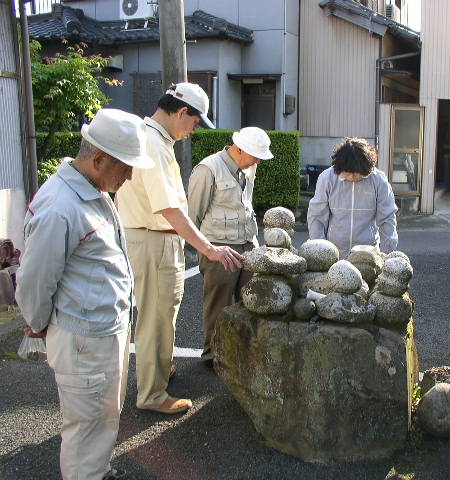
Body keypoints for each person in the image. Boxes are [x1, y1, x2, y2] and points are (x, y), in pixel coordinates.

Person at [16, 108, 154, 480]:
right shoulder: (61, 205)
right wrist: (38, 323)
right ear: (99, 159)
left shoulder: (91, 188)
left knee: (103, 416)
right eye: (126, 167)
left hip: (101, 329)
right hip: (83, 336)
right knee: (87, 424)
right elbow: (34, 280)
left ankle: (97, 470)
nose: (130, 176)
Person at [116, 83, 244, 415]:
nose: (193, 130)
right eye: (195, 122)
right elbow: (170, 209)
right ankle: (152, 393)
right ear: (181, 112)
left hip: (148, 237)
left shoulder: (152, 137)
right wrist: (210, 249)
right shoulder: (154, 145)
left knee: (158, 314)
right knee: (156, 320)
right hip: (154, 238)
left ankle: (158, 370)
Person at [187, 127, 273, 367]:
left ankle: (241, 351)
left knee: (249, 299)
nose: (258, 161)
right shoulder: (208, 169)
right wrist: (203, 250)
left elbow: (246, 204)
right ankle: (213, 354)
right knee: (219, 302)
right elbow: (192, 215)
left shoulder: (249, 166)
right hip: (218, 245)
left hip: (248, 243)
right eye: (255, 156)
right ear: (239, 149)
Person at [307, 137, 398, 258]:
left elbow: (387, 218)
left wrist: (386, 252)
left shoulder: (379, 180)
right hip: (334, 252)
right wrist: (320, 250)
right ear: (339, 167)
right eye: (347, 172)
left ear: (367, 168)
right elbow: (316, 216)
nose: (351, 177)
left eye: (356, 173)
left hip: (368, 253)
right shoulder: (327, 178)